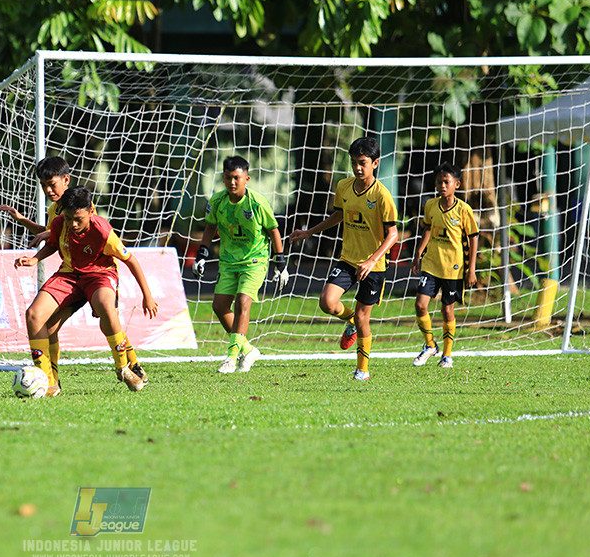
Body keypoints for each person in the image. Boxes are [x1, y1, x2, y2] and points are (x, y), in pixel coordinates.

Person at [14, 186, 158, 395]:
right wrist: (35, 259)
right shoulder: (59, 223)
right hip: (69, 275)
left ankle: (123, 367)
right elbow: (53, 243)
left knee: (107, 311)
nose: (73, 224)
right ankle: (47, 382)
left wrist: (147, 295)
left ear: (91, 211)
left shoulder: (103, 232)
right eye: (69, 217)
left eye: (78, 219)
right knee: (34, 315)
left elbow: (131, 260)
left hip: (99, 275)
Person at [288, 137, 399, 381]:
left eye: (362, 163)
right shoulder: (344, 187)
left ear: (375, 163)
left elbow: (393, 234)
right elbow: (338, 215)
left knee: (363, 318)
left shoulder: (382, 196)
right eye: (354, 163)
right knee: (327, 302)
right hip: (348, 259)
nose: (358, 168)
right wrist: (309, 231)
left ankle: (362, 370)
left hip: (374, 265)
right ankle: (350, 321)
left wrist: (371, 261)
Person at [192, 155, 288, 374]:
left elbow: (274, 231)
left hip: (255, 260)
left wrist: (280, 264)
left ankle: (231, 358)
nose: (232, 182)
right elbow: (209, 227)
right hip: (228, 261)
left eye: (236, 178)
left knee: (243, 302)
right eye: (227, 178)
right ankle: (248, 349)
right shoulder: (217, 201)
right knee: (219, 306)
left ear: (247, 178)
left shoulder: (258, 202)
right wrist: (202, 255)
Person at [0, 156, 78, 386]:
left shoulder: (79, 204)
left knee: (109, 320)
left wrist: (48, 237)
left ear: (66, 180)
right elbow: (50, 232)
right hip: (70, 274)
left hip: (91, 275)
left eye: (52, 184)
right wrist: (22, 220)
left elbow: (68, 229)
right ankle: (49, 382)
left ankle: (129, 365)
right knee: (41, 321)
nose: (48, 190)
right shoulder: (55, 210)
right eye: (43, 185)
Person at [411, 163, 479, 368]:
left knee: (447, 311)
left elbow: (473, 237)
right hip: (431, 264)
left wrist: (472, 269)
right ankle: (430, 345)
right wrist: (418, 254)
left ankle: (447, 355)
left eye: (446, 182)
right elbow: (428, 229)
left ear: (456, 184)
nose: (442, 185)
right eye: (439, 182)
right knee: (420, 304)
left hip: (454, 268)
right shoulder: (430, 205)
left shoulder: (463, 209)